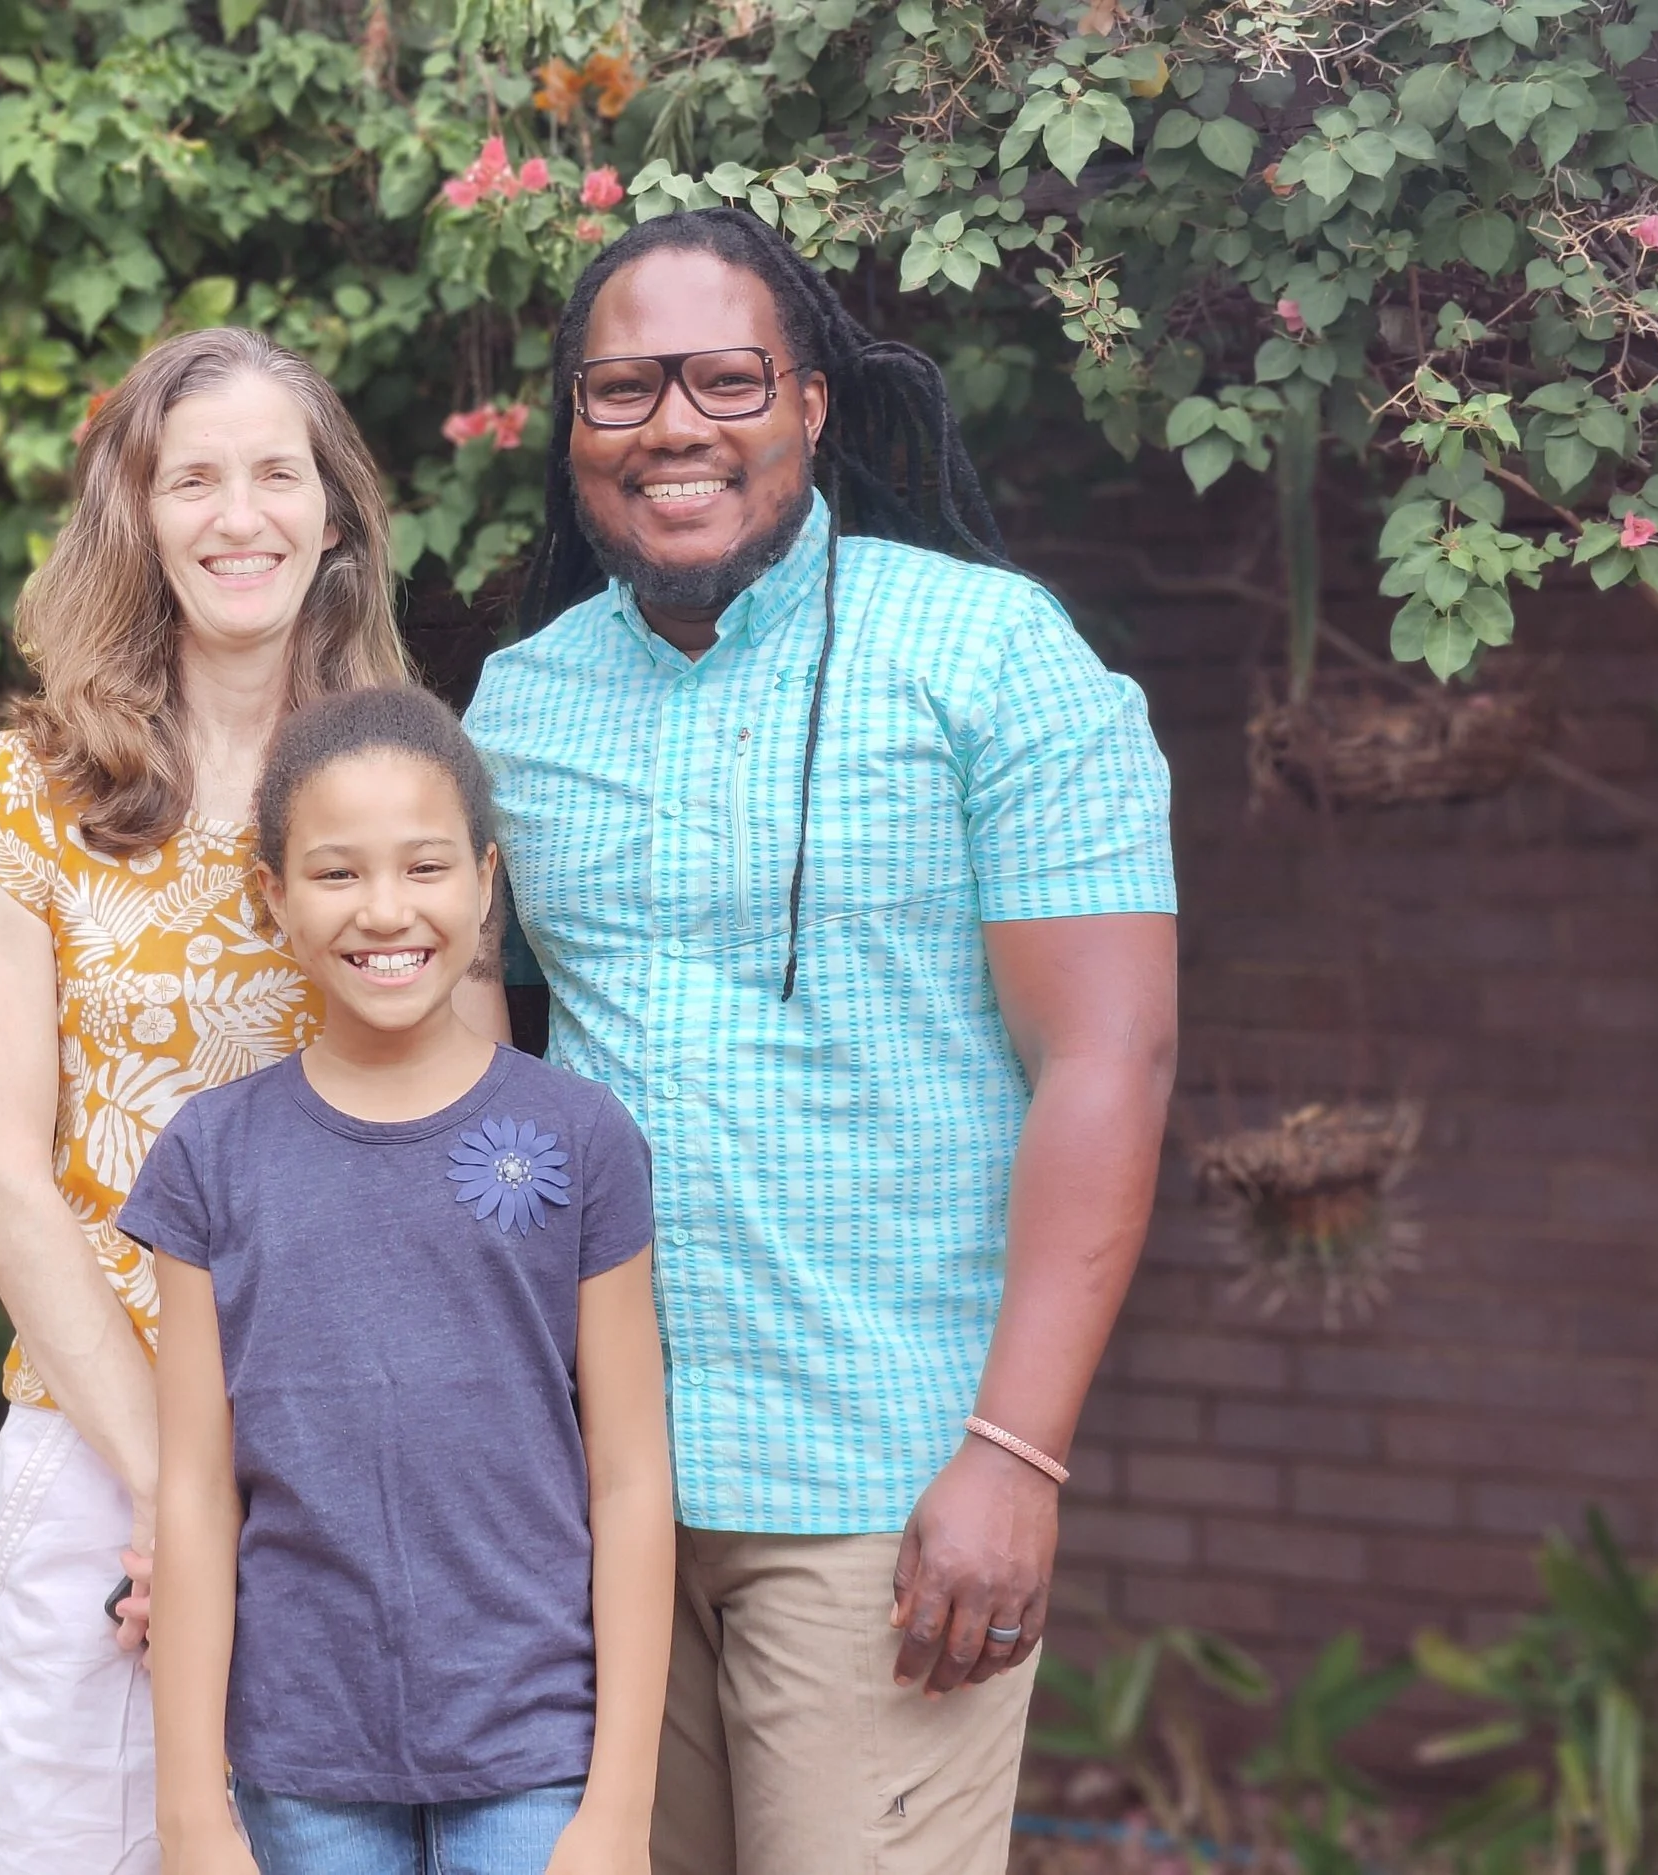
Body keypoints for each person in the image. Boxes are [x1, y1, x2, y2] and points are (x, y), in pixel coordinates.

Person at [462, 207, 1181, 1875]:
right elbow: (476, 1083)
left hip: (882, 1481)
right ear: (574, 422)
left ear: (811, 403)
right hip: (595, 1492)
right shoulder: (518, 704)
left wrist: (1015, 1456)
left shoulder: (990, 656)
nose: (674, 427)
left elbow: (1109, 1062)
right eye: (624, 388)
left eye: (726, 380)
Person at [0, 327, 415, 1874]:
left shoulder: (403, 784)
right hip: (102, 1453)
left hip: (338, 1460)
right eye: (193, 479)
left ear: (334, 513)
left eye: (277, 473)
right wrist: (176, 1489)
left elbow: (447, 1129)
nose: (240, 515)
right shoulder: (28, 790)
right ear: (138, 517)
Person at [134, 685, 675, 1875]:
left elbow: (631, 1479)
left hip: (536, 1758)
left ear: (485, 885)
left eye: (425, 867)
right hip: (300, 1764)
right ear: (271, 896)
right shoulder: (209, 1159)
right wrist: (191, 1815)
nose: (385, 910)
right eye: (336, 873)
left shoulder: (581, 1137)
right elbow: (196, 1494)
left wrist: (619, 1810)